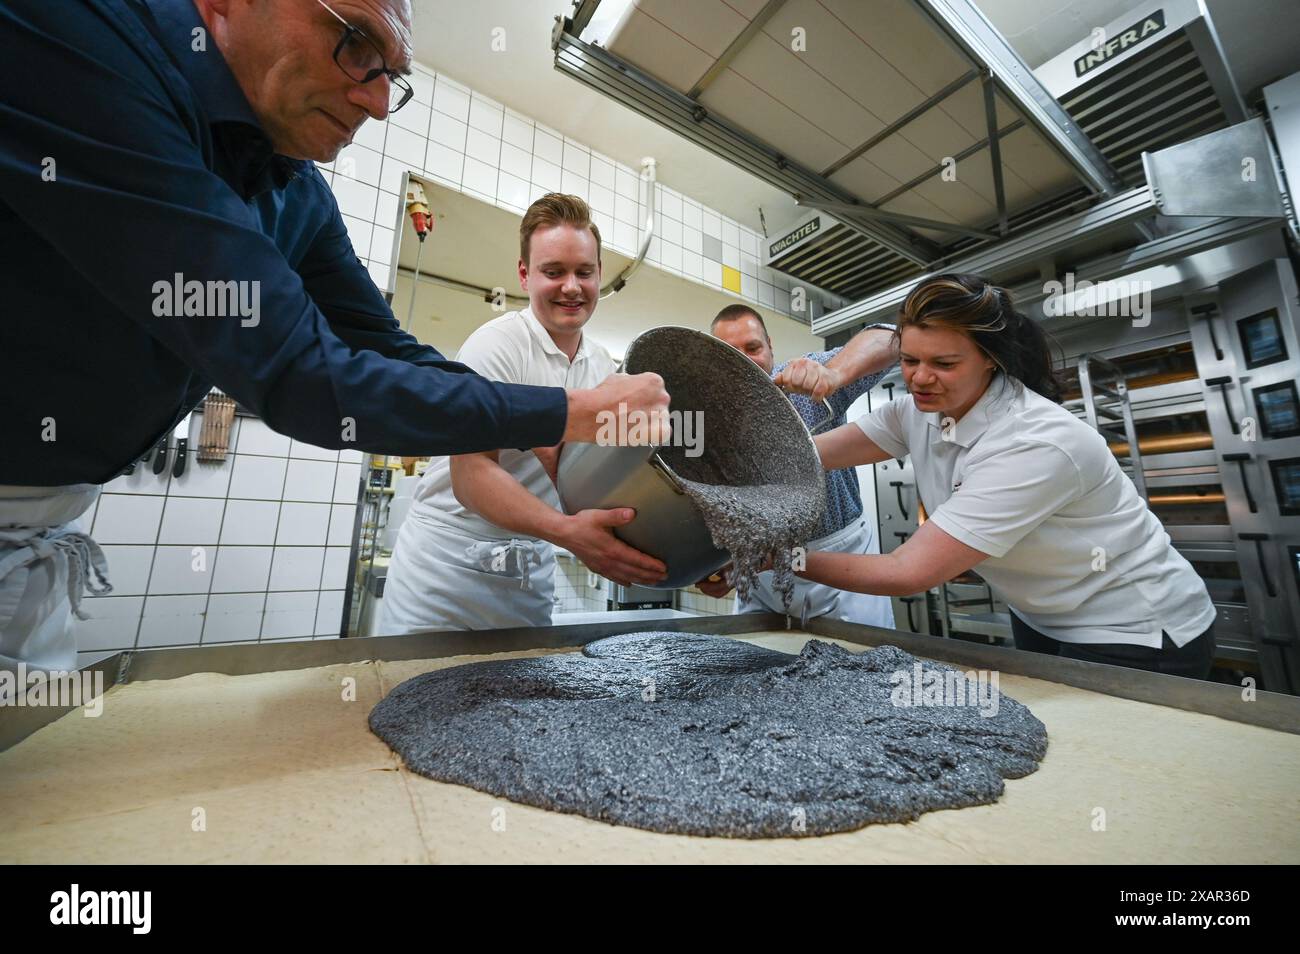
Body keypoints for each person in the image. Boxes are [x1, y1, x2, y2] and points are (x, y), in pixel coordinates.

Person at [0, 0, 668, 674]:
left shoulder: (296, 192)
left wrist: (555, 428)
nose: (378, 103)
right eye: (355, 44)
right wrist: (562, 415)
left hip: (35, 538)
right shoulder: (78, 38)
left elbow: (386, 349)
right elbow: (306, 374)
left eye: (391, 77)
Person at [790, 273, 1217, 677]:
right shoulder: (916, 413)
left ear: (990, 361)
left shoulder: (1034, 442)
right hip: (1040, 614)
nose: (920, 378)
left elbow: (907, 570)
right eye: (909, 360)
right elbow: (802, 457)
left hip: (1133, 628)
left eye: (944, 363)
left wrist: (781, 560)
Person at [381, 195, 668, 634]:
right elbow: (471, 476)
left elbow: (603, 476)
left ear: (598, 276)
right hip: (446, 578)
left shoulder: (603, 368)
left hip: (528, 574)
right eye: (554, 272)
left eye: (584, 272)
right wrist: (567, 532)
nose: (571, 286)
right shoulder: (497, 346)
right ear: (524, 274)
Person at [701, 305, 897, 627]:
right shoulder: (705, 426)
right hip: (760, 572)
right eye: (728, 352)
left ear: (770, 347)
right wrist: (719, 563)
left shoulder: (806, 380)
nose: (744, 361)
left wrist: (834, 373)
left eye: (753, 348)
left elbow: (891, 338)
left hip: (840, 561)